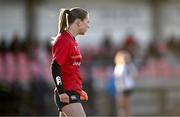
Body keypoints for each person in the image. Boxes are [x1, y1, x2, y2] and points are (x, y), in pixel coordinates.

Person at [51, 7, 89, 117]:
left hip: (71, 91)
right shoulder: (64, 40)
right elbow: (55, 66)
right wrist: (61, 91)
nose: (88, 26)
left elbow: (69, 69)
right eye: (87, 22)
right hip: (66, 93)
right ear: (78, 22)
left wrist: (78, 89)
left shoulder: (71, 40)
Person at [114, 50, 137, 117]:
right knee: (122, 107)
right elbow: (118, 77)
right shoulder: (119, 67)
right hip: (121, 88)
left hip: (126, 88)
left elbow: (134, 74)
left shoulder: (129, 66)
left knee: (127, 106)